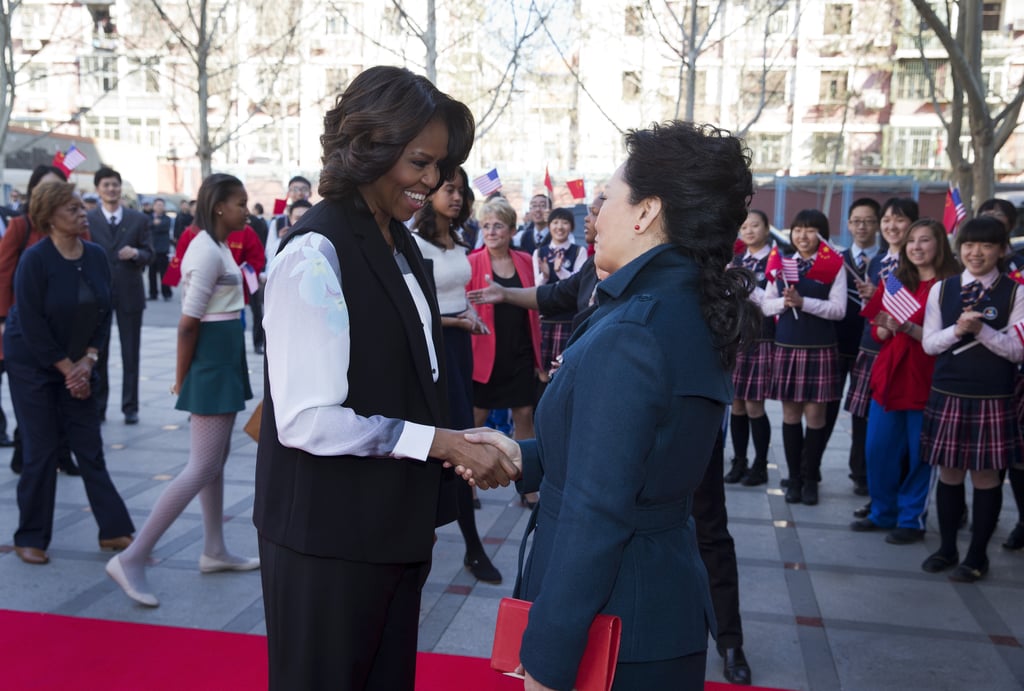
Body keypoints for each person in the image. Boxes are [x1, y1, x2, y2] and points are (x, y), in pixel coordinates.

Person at [462, 121, 758, 691]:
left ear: (646, 212)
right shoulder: (680, 303)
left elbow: (598, 512)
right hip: (652, 608)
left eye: (609, 199)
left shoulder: (636, 329)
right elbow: (636, 454)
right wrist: (526, 455)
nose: (594, 216)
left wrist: (548, 658)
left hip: (613, 624)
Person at [252, 66, 518, 690]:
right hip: (325, 539)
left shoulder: (401, 243)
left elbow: (410, 378)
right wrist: (440, 442)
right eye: (420, 162)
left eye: (442, 166)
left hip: (393, 529)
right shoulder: (312, 253)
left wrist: (459, 440)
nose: (433, 180)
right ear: (369, 146)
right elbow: (305, 419)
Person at [106, 174, 258, 607]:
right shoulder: (206, 252)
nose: (246, 210)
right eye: (240, 203)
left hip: (221, 357)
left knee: (215, 462)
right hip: (210, 361)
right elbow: (188, 323)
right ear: (218, 208)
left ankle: (214, 549)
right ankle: (134, 557)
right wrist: (181, 375)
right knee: (202, 465)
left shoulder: (216, 248)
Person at [5, 181, 134, 565]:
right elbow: (30, 323)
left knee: (88, 446)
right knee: (42, 449)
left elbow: (102, 311)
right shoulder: (35, 259)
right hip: (33, 363)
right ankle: (30, 536)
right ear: (50, 219)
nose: (82, 214)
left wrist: (88, 361)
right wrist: (68, 370)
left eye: (82, 207)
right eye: (73, 210)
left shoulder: (94, 254)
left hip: (79, 361)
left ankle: (113, 530)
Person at [921, 216, 1024, 582]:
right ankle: (947, 547)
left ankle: (977, 556)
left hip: (993, 396)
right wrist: (957, 330)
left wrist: (982, 331)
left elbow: (1017, 351)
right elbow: (930, 344)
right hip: (948, 392)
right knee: (948, 474)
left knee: (985, 478)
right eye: (968, 245)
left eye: (985, 246)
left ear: (1001, 250)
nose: (975, 252)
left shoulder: (1015, 291)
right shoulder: (943, 289)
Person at [412, 166, 501, 584]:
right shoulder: (413, 243)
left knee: (464, 434)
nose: (458, 197)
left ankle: (471, 544)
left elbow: (451, 295)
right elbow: (414, 312)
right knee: (439, 440)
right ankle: (430, 538)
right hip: (434, 348)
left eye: (462, 191)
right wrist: (455, 322)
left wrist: (466, 313)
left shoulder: (459, 240)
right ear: (429, 193)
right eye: (450, 189)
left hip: (460, 346)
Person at [851, 219, 958, 543]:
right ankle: (882, 512)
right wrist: (883, 328)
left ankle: (911, 519)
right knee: (877, 450)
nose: (916, 247)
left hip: (928, 380)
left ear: (940, 244)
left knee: (919, 456)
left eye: (925, 240)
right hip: (889, 377)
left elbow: (949, 337)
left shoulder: (951, 285)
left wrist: (908, 328)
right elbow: (877, 329)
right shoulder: (896, 280)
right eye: (912, 241)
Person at [0, 165, 81, 474]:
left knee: (63, 393)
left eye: (59, 189)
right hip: (27, 325)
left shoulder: (75, 225)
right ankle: (27, 451)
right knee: (33, 396)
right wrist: (4, 318)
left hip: (65, 327)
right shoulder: (21, 227)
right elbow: (4, 274)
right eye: (46, 188)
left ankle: (62, 453)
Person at [762, 209, 846, 506]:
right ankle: (794, 479)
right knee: (790, 415)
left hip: (820, 349)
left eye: (810, 230)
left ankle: (812, 479)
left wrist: (804, 302)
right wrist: (784, 304)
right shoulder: (784, 265)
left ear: (822, 236)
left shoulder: (833, 267)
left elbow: (839, 310)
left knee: (816, 417)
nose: (803, 235)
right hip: (787, 346)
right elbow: (765, 305)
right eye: (798, 229)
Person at [842, 198, 918, 510]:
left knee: (901, 434)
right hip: (871, 349)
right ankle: (876, 495)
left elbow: (916, 310)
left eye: (898, 220)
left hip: (904, 355)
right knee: (868, 428)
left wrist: (883, 298)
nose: (890, 226)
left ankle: (902, 500)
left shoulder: (916, 261)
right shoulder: (877, 261)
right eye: (886, 220)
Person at [467, 198, 541, 481]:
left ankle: (527, 479)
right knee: (477, 415)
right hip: (485, 354)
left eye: (498, 225)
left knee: (524, 412)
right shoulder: (471, 263)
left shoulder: (524, 260)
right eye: (486, 226)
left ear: (512, 230)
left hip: (520, 349)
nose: (491, 231)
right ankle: (470, 482)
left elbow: (534, 306)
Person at [86, 166, 153, 425]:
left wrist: (136, 254)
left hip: (129, 292)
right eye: (106, 185)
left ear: (120, 187)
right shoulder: (88, 220)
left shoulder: (138, 219)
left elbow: (150, 253)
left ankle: (130, 406)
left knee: (130, 352)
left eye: (115, 184)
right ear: (98, 190)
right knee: (97, 352)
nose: (111, 189)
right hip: (97, 295)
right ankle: (99, 406)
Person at [825, 198, 881, 496]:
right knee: (826, 409)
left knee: (862, 414)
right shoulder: (835, 259)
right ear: (848, 225)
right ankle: (809, 471)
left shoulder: (888, 262)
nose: (862, 226)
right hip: (837, 344)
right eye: (856, 221)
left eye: (869, 221)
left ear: (879, 224)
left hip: (872, 349)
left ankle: (860, 472)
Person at [725, 209, 775, 487]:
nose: (749, 230)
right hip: (738, 337)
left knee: (755, 405)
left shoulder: (775, 261)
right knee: (737, 405)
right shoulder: (737, 261)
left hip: (762, 337)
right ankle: (739, 461)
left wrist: (740, 286)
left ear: (767, 229)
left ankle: (760, 465)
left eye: (755, 225)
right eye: (744, 226)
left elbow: (769, 300)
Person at [533, 207, 583, 375]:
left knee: (564, 370)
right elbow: (535, 287)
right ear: (549, 226)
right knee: (542, 371)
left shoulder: (578, 251)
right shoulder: (539, 252)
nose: (559, 227)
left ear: (571, 227)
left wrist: (561, 271)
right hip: (545, 319)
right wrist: (546, 275)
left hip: (569, 319)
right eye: (555, 222)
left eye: (564, 222)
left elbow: (579, 285)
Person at [148, 198, 173, 301]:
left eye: (161, 205)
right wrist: (154, 224)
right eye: (157, 205)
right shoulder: (148, 218)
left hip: (163, 249)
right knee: (151, 274)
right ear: (153, 206)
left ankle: (166, 293)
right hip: (152, 249)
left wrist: (154, 225)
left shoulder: (167, 219)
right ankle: (153, 294)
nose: (159, 207)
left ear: (164, 207)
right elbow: (147, 227)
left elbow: (163, 227)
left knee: (164, 273)